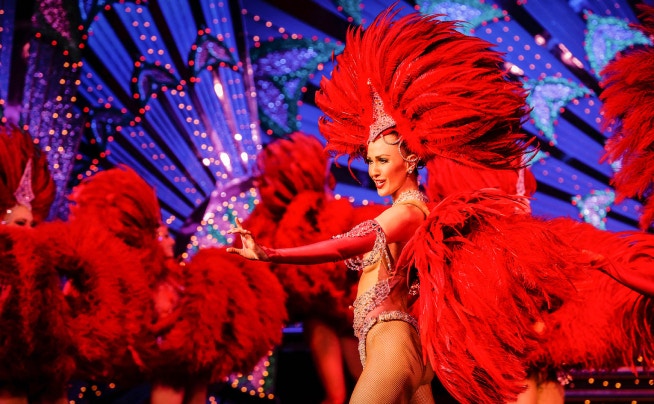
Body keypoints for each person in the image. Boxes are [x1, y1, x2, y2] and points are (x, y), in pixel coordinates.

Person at [228, 6, 533, 403]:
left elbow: (341, 247)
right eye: (370, 159)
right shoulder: (405, 210)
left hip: (394, 346)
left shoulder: (407, 212)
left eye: (382, 160)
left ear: (410, 161)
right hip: (392, 344)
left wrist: (272, 253)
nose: (373, 169)